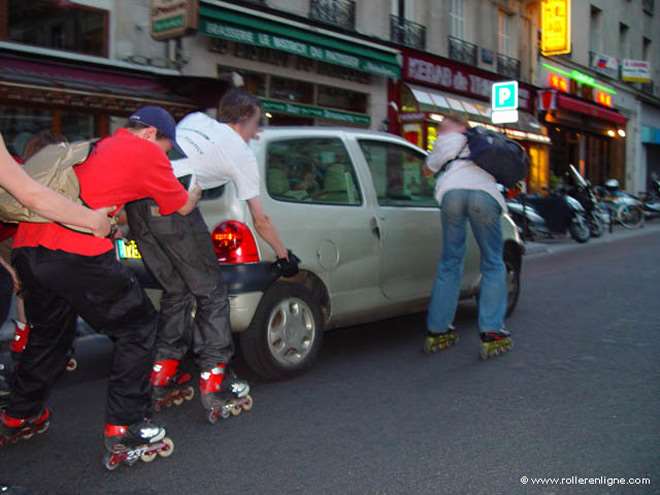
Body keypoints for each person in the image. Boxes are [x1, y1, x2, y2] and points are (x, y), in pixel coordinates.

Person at [0, 107, 202, 469]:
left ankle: (19, 414)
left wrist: (112, 221)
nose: (165, 155)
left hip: (29, 251)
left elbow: (94, 200)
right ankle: (124, 426)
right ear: (150, 135)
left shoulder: (97, 146)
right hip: (76, 254)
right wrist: (197, 190)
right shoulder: (145, 153)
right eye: (166, 147)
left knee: (50, 336)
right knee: (138, 327)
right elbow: (180, 205)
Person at [125, 89, 297, 422]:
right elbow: (260, 219)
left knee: (176, 291)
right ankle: (215, 380)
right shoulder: (242, 155)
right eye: (256, 124)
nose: (257, 132)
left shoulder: (195, 119)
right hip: (175, 207)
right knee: (213, 293)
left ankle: (162, 374)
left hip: (139, 207)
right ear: (244, 120)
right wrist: (282, 254)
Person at [423, 115, 512, 359]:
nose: (440, 128)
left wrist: (435, 161)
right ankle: (492, 331)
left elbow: (426, 171)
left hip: (451, 194)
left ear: (451, 125)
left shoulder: (444, 140)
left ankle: (438, 329)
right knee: (493, 262)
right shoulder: (482, 140)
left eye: (442, 125)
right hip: (484, 195)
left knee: (450, 260)